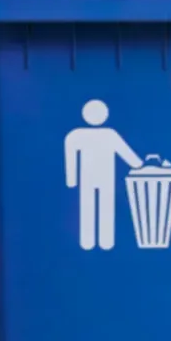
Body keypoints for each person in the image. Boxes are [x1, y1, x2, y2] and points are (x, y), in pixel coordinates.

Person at [64, 99, 143, 251]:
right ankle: (104, 242)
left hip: (92, 178)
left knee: (92, 206)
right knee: (101, 206)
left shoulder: (77, 135)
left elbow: (71, 158)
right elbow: (127, 154)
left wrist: (72, 180)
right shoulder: (108, 135)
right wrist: (138, 165)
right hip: (103, 177)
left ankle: (89, 242)